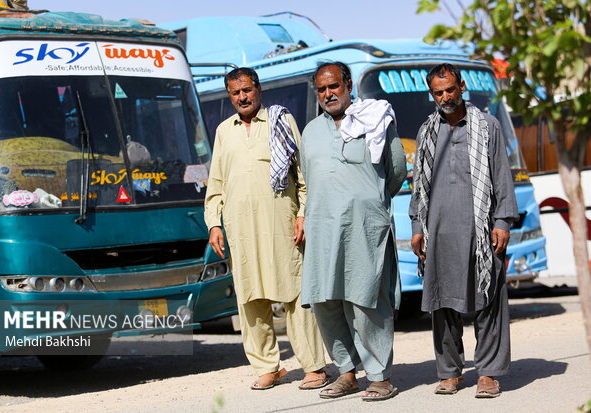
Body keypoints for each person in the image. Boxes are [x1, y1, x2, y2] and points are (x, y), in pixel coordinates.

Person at [204, 67, 327, 391]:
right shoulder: (223, 131)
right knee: (249, 297)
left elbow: (303, 177)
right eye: (235, 93)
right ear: (229, 96)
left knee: (296, 295)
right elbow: (216, 184)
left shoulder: (280, 121)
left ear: (257, 90)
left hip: (281, 224)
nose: (242, 97)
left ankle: (314, 366)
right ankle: (267, 366)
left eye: (246, 90)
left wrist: (303, 215)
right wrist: (214, 223)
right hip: (240, 229)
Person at [409, 63, 518, 398]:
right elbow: (420, 186)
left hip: (481, 230)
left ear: (462, 86)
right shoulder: (428, 130)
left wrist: (502, 221)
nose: (445, 97)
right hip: (438, 232)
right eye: (438, 92)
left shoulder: (487, 125)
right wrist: (417, 226)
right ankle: (450, 372)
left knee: (489, 300)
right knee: (442, 304)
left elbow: (501, 174)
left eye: (450, 90)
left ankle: (488, 374)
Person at [300, 62, 406, 402]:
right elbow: (309, 179)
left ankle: (380, 376)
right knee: (325, 300)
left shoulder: (375, 120)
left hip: (364, 228)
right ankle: (346, 372)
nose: (328, 94)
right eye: (321, 89)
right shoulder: (311, 131)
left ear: (348, 86)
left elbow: (396, 170)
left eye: (334, 86)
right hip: (322, 229)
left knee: (366, 301)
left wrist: (367, 201)